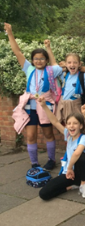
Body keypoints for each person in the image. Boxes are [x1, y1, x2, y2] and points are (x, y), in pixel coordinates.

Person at [5, 23, 62, 170]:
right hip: (30, 105)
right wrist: (10, 33)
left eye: (42, 58)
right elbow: (17, 52)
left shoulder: (51, 70)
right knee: (30, 136)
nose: (39, 61)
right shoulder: (29, 69)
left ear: (46, 60)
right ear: (32, 60)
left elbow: (56, 64)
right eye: (36, 58)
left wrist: (49, 48)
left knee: (48, 133)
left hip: (45, 105)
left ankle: (51, 160)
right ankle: (34, 163)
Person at [38, 97, 85, 200]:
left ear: (81, 126)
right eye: (69, 123)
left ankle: (84, 184)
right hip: (69, 174)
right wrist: (44, 106)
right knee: (43, 194)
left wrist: (69, 168)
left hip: (81, 173)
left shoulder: (84, 138)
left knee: (81, 156)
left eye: (75, 123)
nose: (71, 126)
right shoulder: (68, 135)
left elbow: (76, 154)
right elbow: (55, 121)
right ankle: (72, 187)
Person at [56, 53, 85, 123]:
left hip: (76, 104)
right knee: (67, 126)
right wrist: (63, 65)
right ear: (66, 64)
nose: (72, 65)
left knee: (79, 124)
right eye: (69, 63)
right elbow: (55, 67)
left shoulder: (84, 76)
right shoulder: (64, 75)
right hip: (64, 104)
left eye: (75, 62)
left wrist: (84, 68)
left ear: (79, 64)